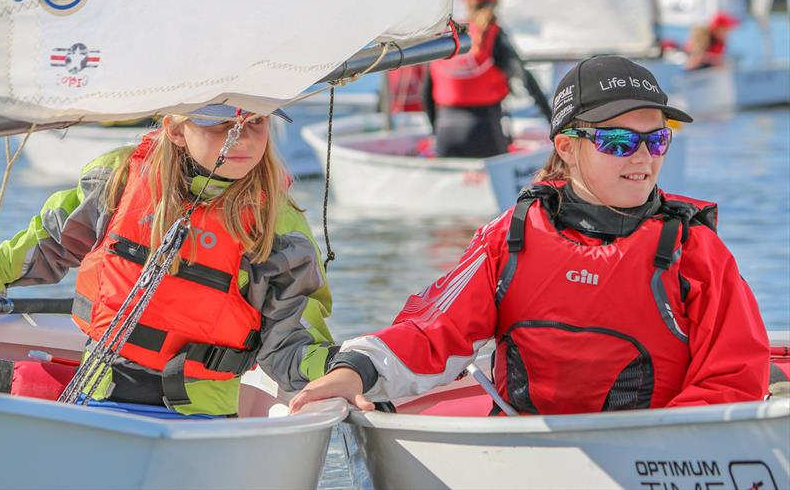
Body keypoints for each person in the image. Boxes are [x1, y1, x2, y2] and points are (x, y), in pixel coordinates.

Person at [289, 55, 770, 415]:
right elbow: (433, 330)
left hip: (654, 462)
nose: (643, 158)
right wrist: (357, 368)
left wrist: (654, 454)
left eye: (656, 138)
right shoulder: (510, 238)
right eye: (618, 142)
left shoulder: (695, 250)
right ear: (567, 146)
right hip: (529, 457)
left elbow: (733, 374)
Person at [0, 104, 337, 417]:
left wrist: (347, 368)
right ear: (175, 129)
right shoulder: (118, 177)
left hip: (201, 419)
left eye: (257, 121)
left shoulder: (279, 224)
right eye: (221, 125)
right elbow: (40, 249)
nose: (242, 137)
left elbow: (292, 343)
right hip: (96, 401)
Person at [423, 0, 552, 158]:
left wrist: (436, 130)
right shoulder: (494, 37)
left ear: (466, 0)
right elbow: (525, 78)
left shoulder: (449, 37)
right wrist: (551, 119)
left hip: (445, 130)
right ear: (495, 3)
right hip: (484, 129)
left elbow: (426, 92)